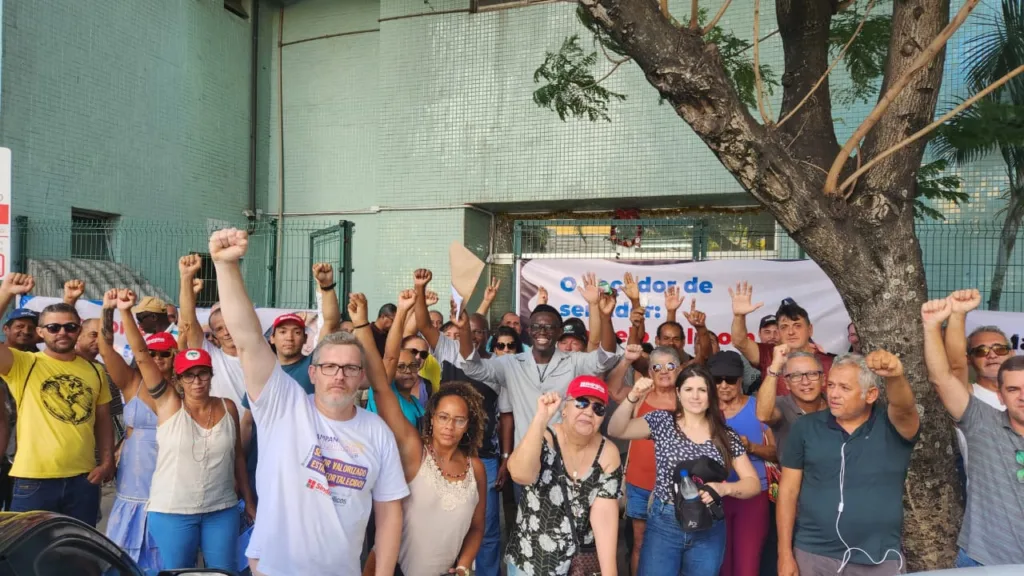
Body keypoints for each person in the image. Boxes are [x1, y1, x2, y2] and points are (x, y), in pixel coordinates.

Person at [209, 228, 408, 576]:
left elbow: (389, 510)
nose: (339, 376)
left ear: (362, 377)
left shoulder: (377, 432)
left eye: (349, 368)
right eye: (329, 366)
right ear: (312, 373)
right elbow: (248, 340)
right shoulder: (282, 407)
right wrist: (226, 267)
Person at [116, 288, 254, 571]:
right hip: (172, 512)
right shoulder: (168, 404)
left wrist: (249, 502)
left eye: (202, 373)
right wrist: (125, 312)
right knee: (177, 571)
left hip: (222, 510)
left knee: (222, 571)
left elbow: (237, 457)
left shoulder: (227, 406)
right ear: (179, 377)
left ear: (211, 375)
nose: (197, 381)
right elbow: (142, 356)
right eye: (189, 375)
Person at [352, 289, 487, 576]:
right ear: (432, 418)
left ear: (469, 426)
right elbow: (381, 385)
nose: (450, 426)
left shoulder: (475, 468)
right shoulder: (416, 450)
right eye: (444, 417)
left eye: (459, 420)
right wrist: (364, 325)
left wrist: (463, 567)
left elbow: (477, 527)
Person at [608, 366, 761, 576]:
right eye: (688, 390)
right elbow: (616, 429)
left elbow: (752, 482)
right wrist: (633, 396)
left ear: (711, 395)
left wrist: (724, 489)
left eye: (702, 390)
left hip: (709, 523)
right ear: (678, 393)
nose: (695, 396)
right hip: (665, 520)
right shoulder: (662, 421)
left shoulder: (726, 435)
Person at [776, 351, 919, 576]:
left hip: (878, 558)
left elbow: (904, 408)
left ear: (870, 394)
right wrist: (784, 553)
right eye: (831, 385)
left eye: (844, 388)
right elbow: (788, 491)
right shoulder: (805, 427)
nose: (833, 394)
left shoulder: (893, 427)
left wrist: (895, 377)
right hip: (813, 554)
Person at [0, 273, 115, 525]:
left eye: (70, 327)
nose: (62, 332)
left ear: (78, 330)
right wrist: (6, 293)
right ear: (41, 332)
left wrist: (107, 461)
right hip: (33, 481)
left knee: (78, 557)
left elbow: (103, 419)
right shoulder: (24, 363)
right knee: (27, 558)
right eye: (53, 327)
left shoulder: (95, 370)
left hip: (84, 481)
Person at [410, 270, 503, 576]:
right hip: (443, 450)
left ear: (486, 335)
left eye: (478, 331)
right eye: (468, 329)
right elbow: (423, 324)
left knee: (485, 526)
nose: (473, 335)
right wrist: (420, 289)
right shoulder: (447, 351)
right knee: (440, 518)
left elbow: (508, 415)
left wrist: (505, 456)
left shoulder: (496, 365)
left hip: (483, 456)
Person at [921, 297, 1024, 568]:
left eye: (999, 348)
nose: (1022, 397)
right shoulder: (981, 420)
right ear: (1000, 396)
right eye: (1013, 390)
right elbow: (944, 377)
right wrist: (932, 325)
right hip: (984, 557)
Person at [505, 379, 622, 576]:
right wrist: (541, 418)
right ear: (565, 408)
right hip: (531, 562)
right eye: (581, 402)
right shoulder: (544, 438)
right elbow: (520, 474)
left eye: (598, 408)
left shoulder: (607, 453)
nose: (588, 411)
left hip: (579, 567)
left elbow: (604, 519)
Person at [97, 289, 173, 572]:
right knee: (123, 558)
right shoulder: (132, 382)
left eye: (165, 353)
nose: (157, 357)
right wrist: (109, 308)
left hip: (169, 478)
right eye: (151, 352)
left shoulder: (185, 389)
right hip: (133, 479)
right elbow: (105, 348)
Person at [607, 344, 683, 576]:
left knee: (675, 544)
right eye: (656, 367)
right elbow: (613, 390)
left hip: (676, 489)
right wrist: (627, 360)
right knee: (640, 543)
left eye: (670, 365)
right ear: (649, 373)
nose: (663, 371)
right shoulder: (640, 397)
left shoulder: (689, 398)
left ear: (679, 370)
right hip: (639, 484)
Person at [709, 351, 775, 576]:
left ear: (741, 380)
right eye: (717, 380)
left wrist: (750, 447)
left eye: (730, 379)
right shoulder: (703, 410)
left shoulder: (759, 407)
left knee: (747, 566)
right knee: (720, 566)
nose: (724, 385)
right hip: (713, 496)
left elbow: (778, 454)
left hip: (753, 496)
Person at [729, 284, 834, 390]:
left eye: (797, 326)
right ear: (779, 332)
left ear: (810, 330)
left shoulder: (830, 363)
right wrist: (739, 316)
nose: (791, 332)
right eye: (784, 327)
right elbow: (739, 342)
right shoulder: (769, 354)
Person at [755, 346, 828, 462]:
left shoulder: (836, 404)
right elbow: (763, 415)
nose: (805, 382)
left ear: (823, 379)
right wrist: (775, 367)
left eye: (812, 374)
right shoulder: (782, 405)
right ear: (786, 383)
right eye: (796, 376)